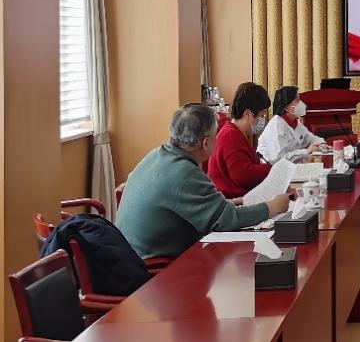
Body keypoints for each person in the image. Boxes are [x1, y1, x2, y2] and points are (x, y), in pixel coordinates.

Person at [117, 104, 288, 260]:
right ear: (206, 143)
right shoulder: (185, 172)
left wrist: (227, 203)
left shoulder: (156, 155)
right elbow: (226, 220)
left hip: (129, 255)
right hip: (153, 267)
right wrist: (271, 207)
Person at [207, 82, 273, 198]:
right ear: (248, 114)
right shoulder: (231, 136)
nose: (262, 120)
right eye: (261, 116)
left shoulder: (237, 133)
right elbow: (243, 176)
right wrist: (274, 168)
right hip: (231, 201)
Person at [258, 86, 329, 163]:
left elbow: (310, 138)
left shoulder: (295, 123)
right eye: (297, 100)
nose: (301, 103)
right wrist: (306, 151)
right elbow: (279, 158)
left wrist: (322, 144)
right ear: (286, 107)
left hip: (291, 165)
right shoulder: (276, 126)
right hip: (271, 167)